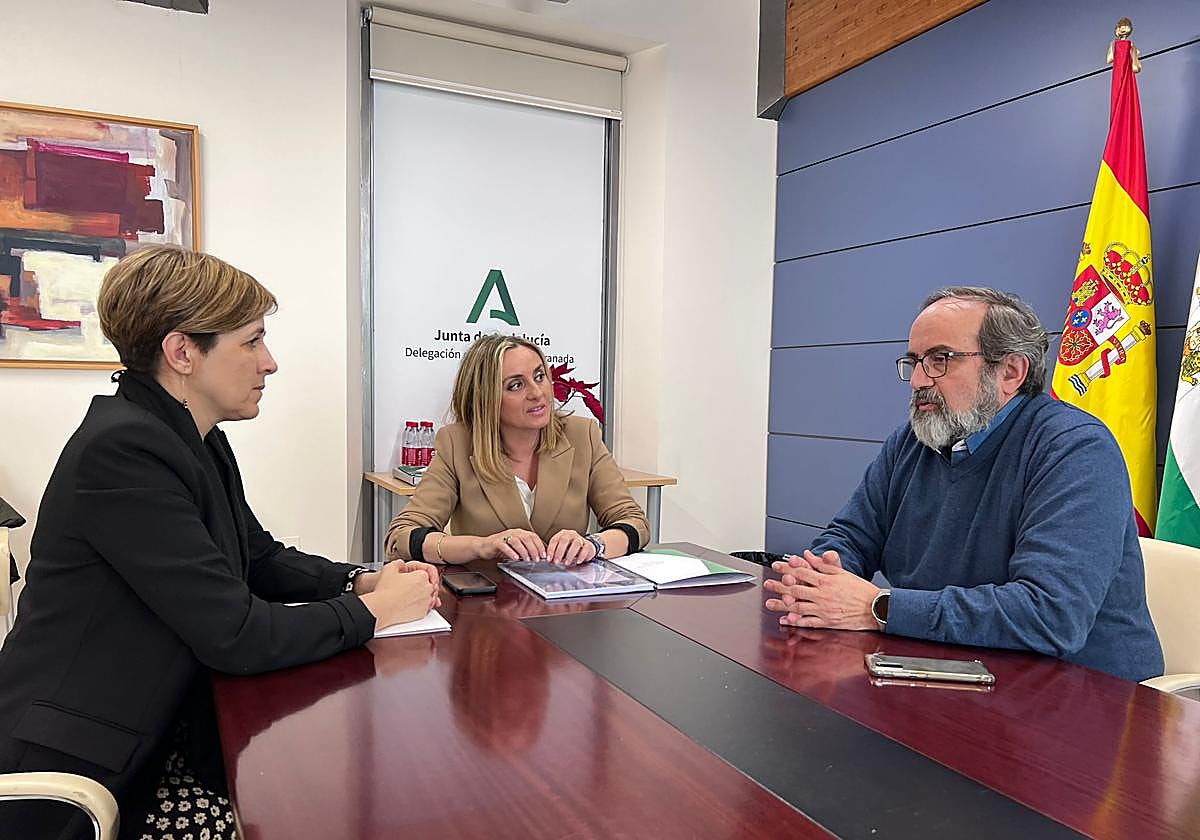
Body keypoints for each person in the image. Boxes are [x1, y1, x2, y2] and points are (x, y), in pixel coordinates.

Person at [0, 247, 440, 840]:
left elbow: (257, 557)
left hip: (166, 726)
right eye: (252, 342)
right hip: (89, 766)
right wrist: (376, 611)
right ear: (183, 352)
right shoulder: (123, 451)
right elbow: (237, 635)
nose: (270, 363)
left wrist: (357, 579)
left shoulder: (190, 436)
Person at [764, 287, 1163, 683]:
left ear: (1010, 372)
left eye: (940, 360)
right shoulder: (912, 442)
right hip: (945, 672)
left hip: (1083, 695)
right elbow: (851, 537)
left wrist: (880, 607)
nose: (918, 380)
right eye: (914, 362)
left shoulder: (1075, 449)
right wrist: (817, 581)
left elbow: (1050, 615)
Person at [386, 334, 650, 567]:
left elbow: (634, 522)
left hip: (566, 597)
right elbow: (401, 536)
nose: (537, 393)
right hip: (488, 599)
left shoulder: (582, 436)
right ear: (486, 398)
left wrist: (594, 545)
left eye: (539, 376)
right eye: (516, 385)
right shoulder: (457, 444)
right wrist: (482, 546)